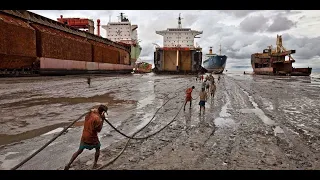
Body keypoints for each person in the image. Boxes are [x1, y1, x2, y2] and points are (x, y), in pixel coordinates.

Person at [64, 104, 108, 170]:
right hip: (92, 137)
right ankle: (95, 165)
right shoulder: (97, 119)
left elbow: (92, 112)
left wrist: (99, 116)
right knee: (98, 148)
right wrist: (103, 120)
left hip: (84, 136)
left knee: (79, 151)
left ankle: (68, 164)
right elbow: (99, 130)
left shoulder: (89, 113)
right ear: (103, 112)